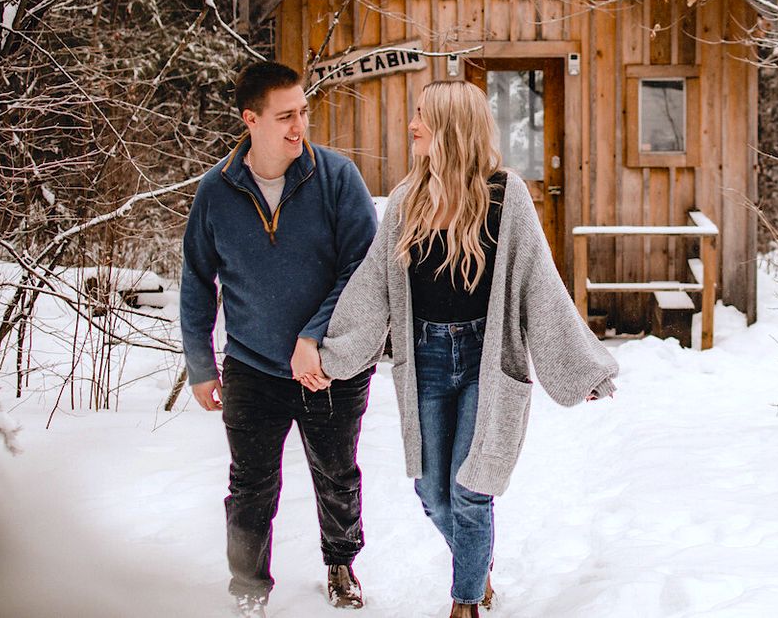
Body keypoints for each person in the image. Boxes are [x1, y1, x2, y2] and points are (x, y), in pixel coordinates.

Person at [316, 80, 618, 618]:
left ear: (451, 127)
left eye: (423, 116)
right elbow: (373, 287)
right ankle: (477, 568)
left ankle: (466, 601)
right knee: (433, 493)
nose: (412, 125)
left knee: (471, 489)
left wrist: (580, 368)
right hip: (426, 359)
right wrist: (331, 353)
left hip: (487, 358)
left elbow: (538, 286)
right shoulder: (408, 199)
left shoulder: (507, 195)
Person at [180, 61, 379, 618]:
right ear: (251, 120)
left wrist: (314, 336)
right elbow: (197, 279)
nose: (299, 127)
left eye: (304, 113)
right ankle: (247, 589)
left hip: (329, 367)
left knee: (337, 475)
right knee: (249, 490)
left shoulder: (336, 177)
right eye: (286, 116)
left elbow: (362, 270)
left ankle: (341, 563)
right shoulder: (216, 192)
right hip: (251, 368)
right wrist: (200, 363)